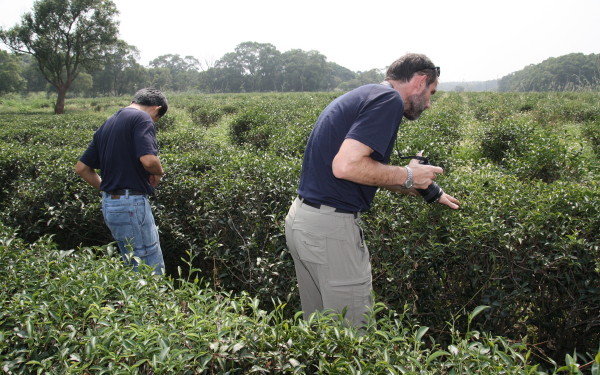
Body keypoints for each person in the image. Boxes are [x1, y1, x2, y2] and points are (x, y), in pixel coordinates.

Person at [284, 53, 460, 327]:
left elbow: (361, 172)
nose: (428, 104)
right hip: (331, 232)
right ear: (420, 81)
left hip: (305, 221)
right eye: (431, 93)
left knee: (321, 334)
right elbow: (346, 166)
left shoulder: (367, 94)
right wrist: (409, 174)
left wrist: (423, 187)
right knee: (354, 340)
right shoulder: (388, 100)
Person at [75, 88, 168, 275]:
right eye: (156, 119)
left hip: (111, 204)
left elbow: (82, 168)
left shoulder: (109, 122)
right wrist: (159, 172)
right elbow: (149, 160)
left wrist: (111, 190)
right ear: (156, 109)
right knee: (149, 266)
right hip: (132, 204)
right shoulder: (142, 118)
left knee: (133, 261)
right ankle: (154, 304)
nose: (153, 122)